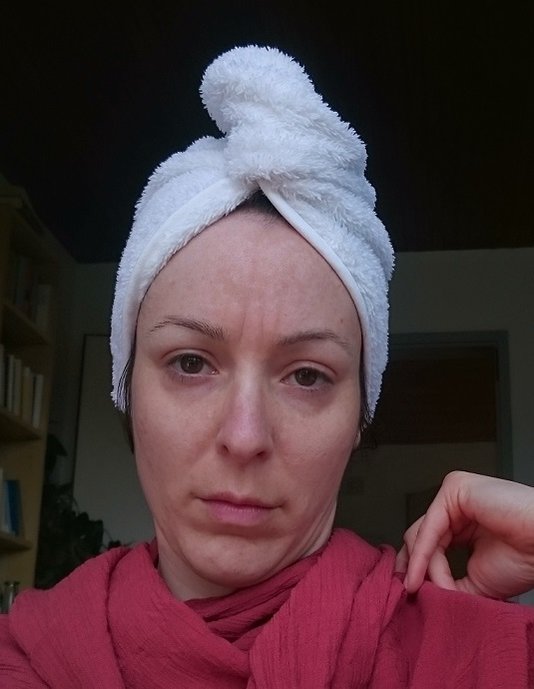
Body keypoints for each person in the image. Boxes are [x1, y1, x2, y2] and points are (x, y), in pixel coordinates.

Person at [1, 45, 533, 688]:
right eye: (191, 362)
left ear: (360, 416)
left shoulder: (485, 657)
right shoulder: (25, 662)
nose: (245, 436)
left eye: (306, 376)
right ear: (127, 388)